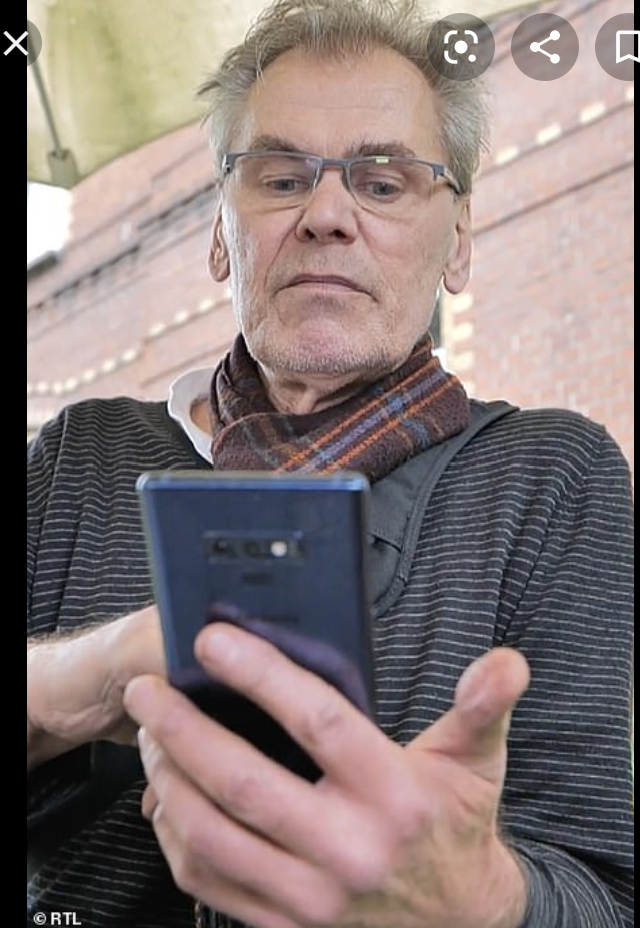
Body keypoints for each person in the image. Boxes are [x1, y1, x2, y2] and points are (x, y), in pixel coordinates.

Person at [27, 0, 634, 926]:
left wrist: (474, 897)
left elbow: (605, 895)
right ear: (219, 234)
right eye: (280, 178)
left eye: (384, 183)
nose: (325, 215)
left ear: (459, 241)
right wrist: (85, 677)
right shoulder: (80, 455)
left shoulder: (551, 479)